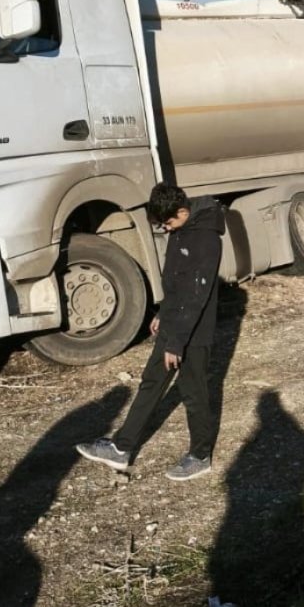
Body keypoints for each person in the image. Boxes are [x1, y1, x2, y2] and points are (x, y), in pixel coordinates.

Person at [77, 184, 226, 480]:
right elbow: (176, 281)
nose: (166, 230)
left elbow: (196, 296)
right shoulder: (181, 229)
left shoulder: (207, 240)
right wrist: (163, 313)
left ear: (183, 212)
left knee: (193, 393)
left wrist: (177, 343)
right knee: (151, 382)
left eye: (168, 223)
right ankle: (121, 449)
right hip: (175, 326)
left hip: (193, 334)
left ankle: (200, 455)